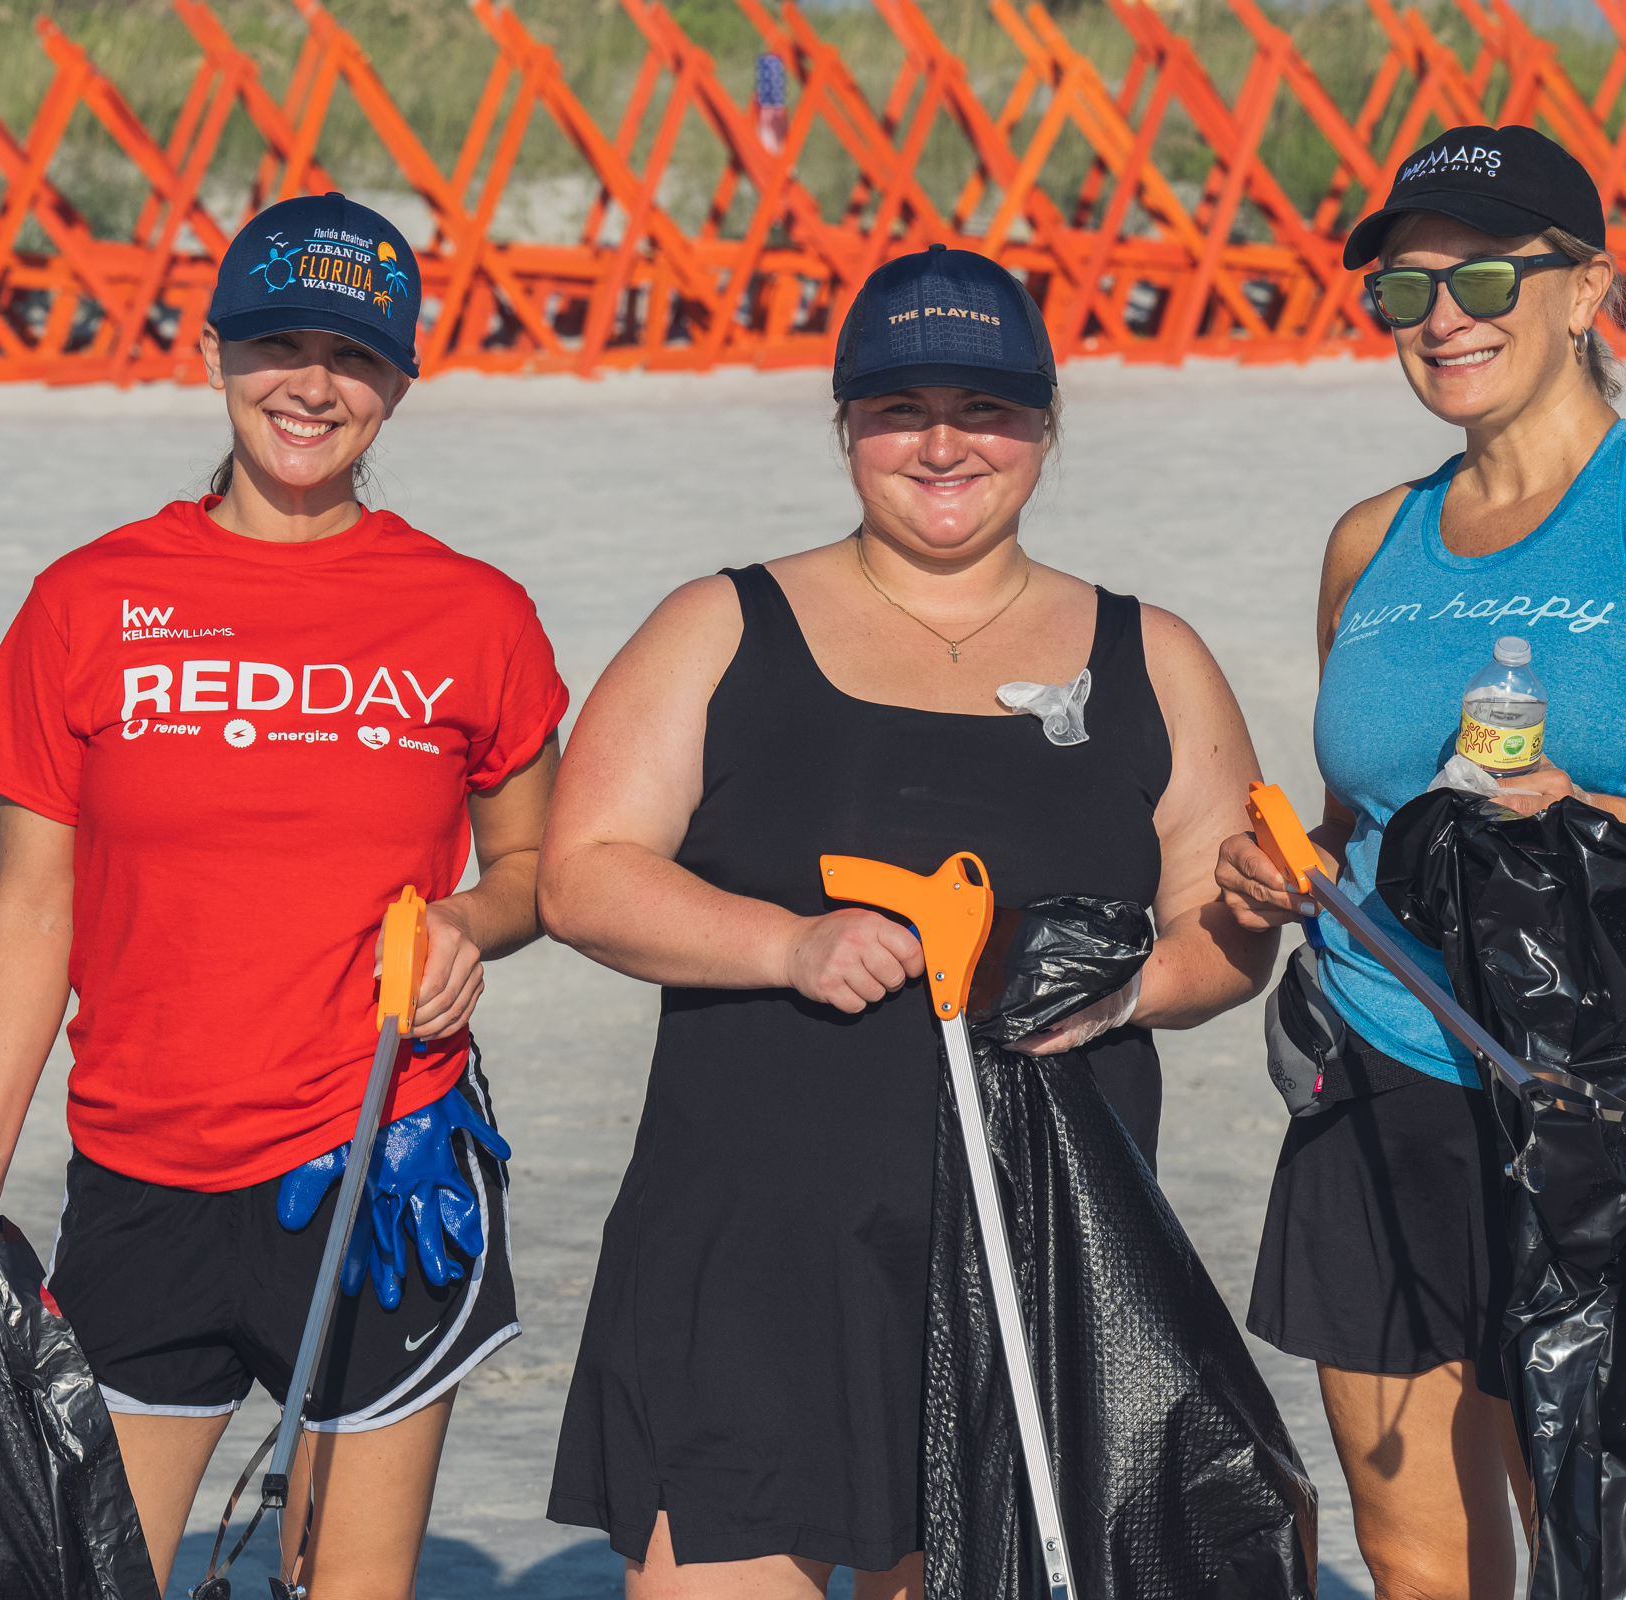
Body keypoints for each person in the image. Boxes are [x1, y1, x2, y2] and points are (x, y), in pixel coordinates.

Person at [537, 244, 1278, 1599]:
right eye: (900, 410)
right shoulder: (721, 624)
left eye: (985, 408)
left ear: (1046, 423)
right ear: (846, 426)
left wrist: (1129, 994)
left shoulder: (1152, 655)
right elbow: (584, 873)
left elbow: (1225, 931)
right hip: (754, 1250)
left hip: (1037, 1250)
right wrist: (785, 944)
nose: (944, 445)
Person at [0, 192, 569, 1597]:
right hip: (143, 1173)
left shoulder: (475, 612)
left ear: (399, 383)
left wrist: (471, 923)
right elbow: (34, 907)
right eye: (278, 346)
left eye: (354, 356)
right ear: (213, 353)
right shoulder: (88, 599)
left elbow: (538, 870)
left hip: (379, 1165)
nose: (312, 386)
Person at [1215, 126, 1626, 1600]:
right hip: (1381, 1075)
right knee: (1413, 1560)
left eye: (1489, 276)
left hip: (1600, 1093)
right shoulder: (1370, 542)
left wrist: (1599, 825)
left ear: (1589, 293)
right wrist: (1285, 868)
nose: (1444, 316)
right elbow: (1365, 819)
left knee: (1613, 1544)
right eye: (1406, 287)